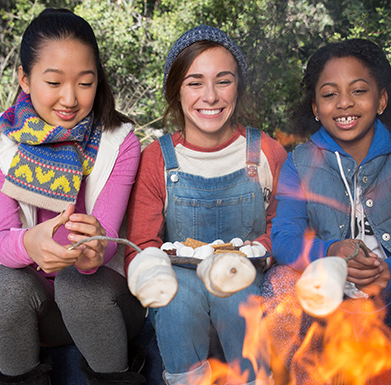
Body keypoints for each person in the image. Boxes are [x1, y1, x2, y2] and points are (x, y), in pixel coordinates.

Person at [262, 38, 391, 384]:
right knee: (278, 283)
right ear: (315, 107)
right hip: (322, 300)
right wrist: (329, 253)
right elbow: (284, 238)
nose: (344, 103)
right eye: (329, 94)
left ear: (382, 99)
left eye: (358, 91)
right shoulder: (299, 163)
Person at [0, 8, 147, 385]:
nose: (70, 99)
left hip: (108, 303)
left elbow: (106, 239)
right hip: (42, 314)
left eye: (85, 83)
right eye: (53, 82)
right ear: (25, 78)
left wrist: (92, 251)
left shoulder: (119, 144)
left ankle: (114, 375)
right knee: (2, 287)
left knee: (77, 283)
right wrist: (29, 244)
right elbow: (4, 242)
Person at [124, 25, 287, 385]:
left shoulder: (265, 152)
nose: (210, 96)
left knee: (236, 292)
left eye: (223, 81)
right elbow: (142, 243)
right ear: (176, 90)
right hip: (180, 279)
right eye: (195, 82)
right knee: (177, 299)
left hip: (250, 276)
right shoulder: (159, 159)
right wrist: (152, 273)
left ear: (239, 87)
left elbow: (287, 224)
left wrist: (262, 249)